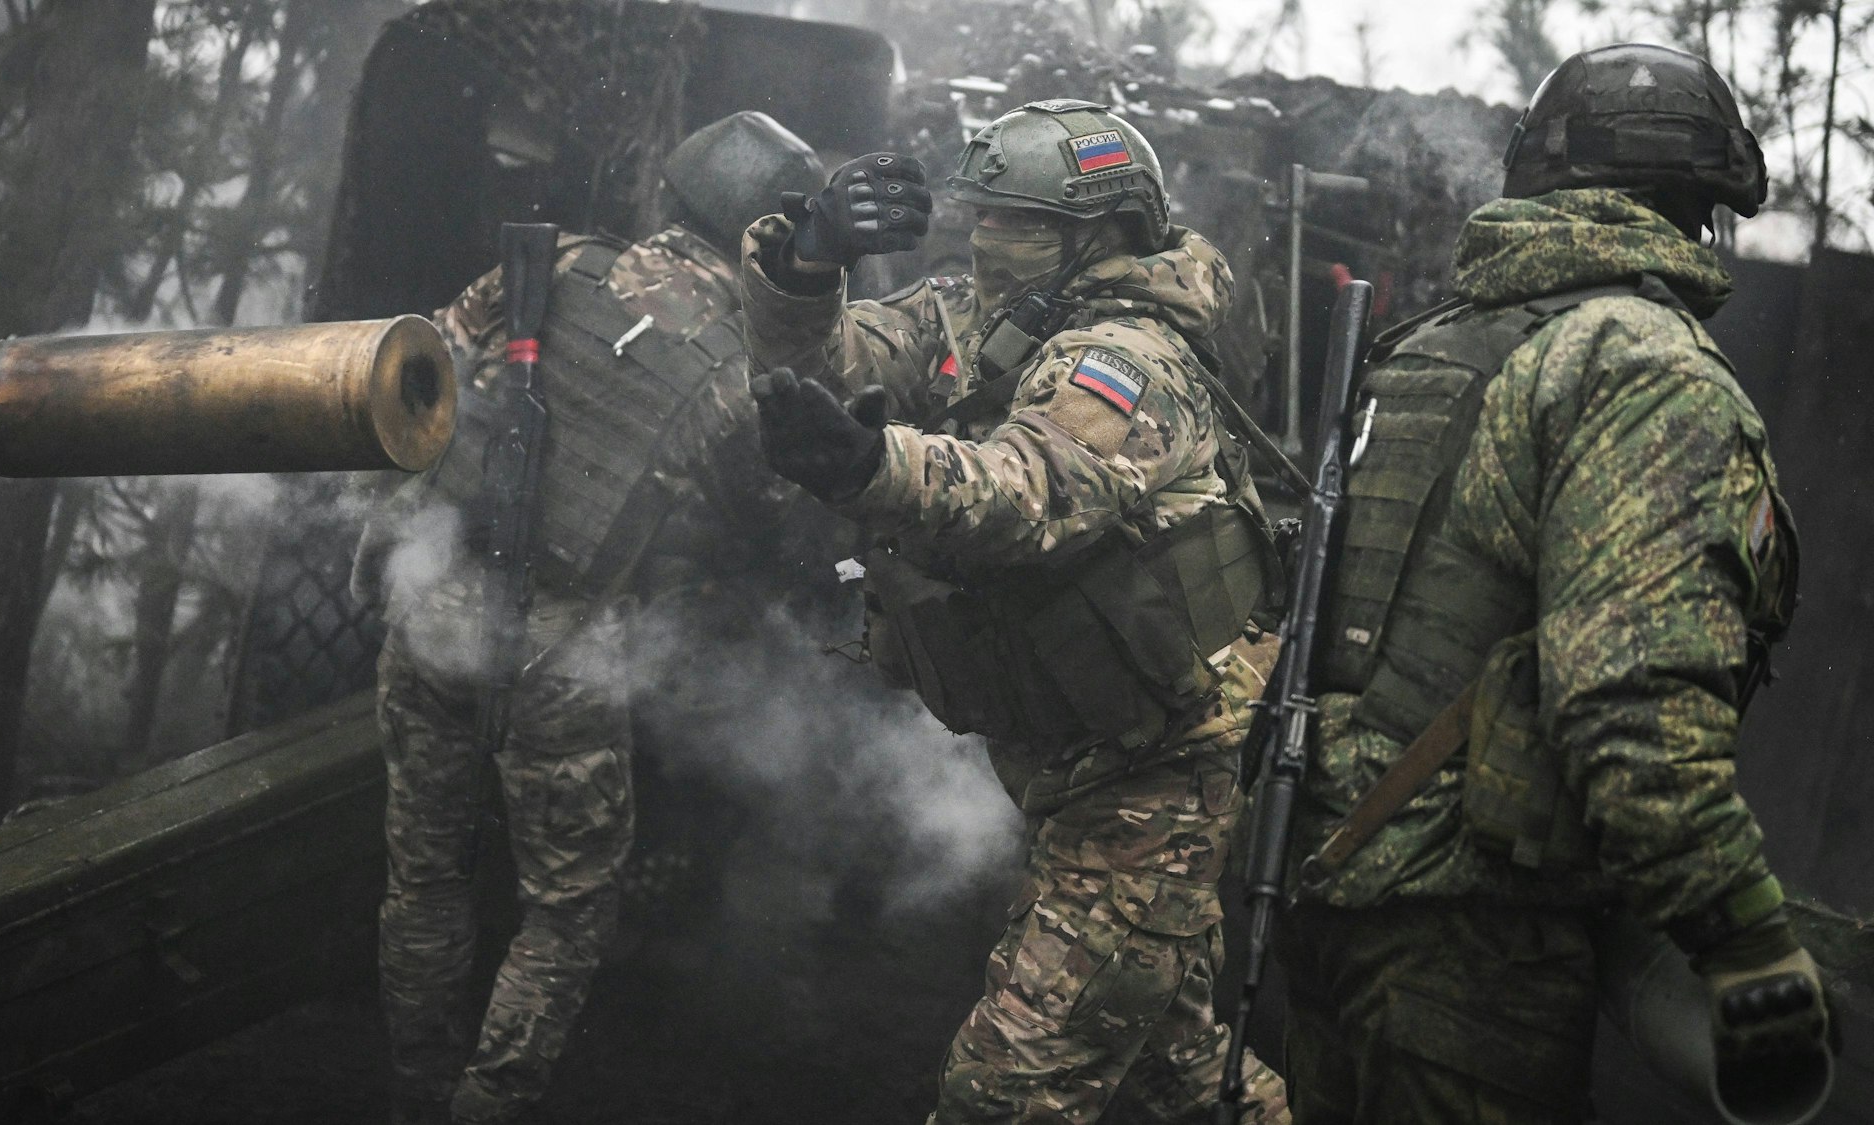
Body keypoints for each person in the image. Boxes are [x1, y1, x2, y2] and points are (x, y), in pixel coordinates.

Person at [1275, 44, 1824, 1123]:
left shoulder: (1431, 344)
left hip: (1328, 899)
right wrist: (1745, 941)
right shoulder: (1638, 366)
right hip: (1474, 941)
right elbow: (1631, 712)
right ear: (1696, 206)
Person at [741, 98, 1290, 1124]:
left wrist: (875, 463)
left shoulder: (1131, 358)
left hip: (1153, 771)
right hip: (1067, 750)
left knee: (1003, 1093)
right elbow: (817, 370)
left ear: (1101, 233)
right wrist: (807, 261)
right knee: (1182, 1070)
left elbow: (1026, 491)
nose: (986, 237)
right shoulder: (972, 315)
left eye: (1018, 221)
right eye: (982, 214)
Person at [350, 111, 824, 1125]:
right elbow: (772, 527)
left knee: (423, 876)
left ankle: (414, 1089)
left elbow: (418, 371)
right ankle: (486, 1105)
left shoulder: (550, 265)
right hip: (564, 657)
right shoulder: (739, 375)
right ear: (768, 238)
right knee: (565, 910)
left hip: (431, 612)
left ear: (674, 192)